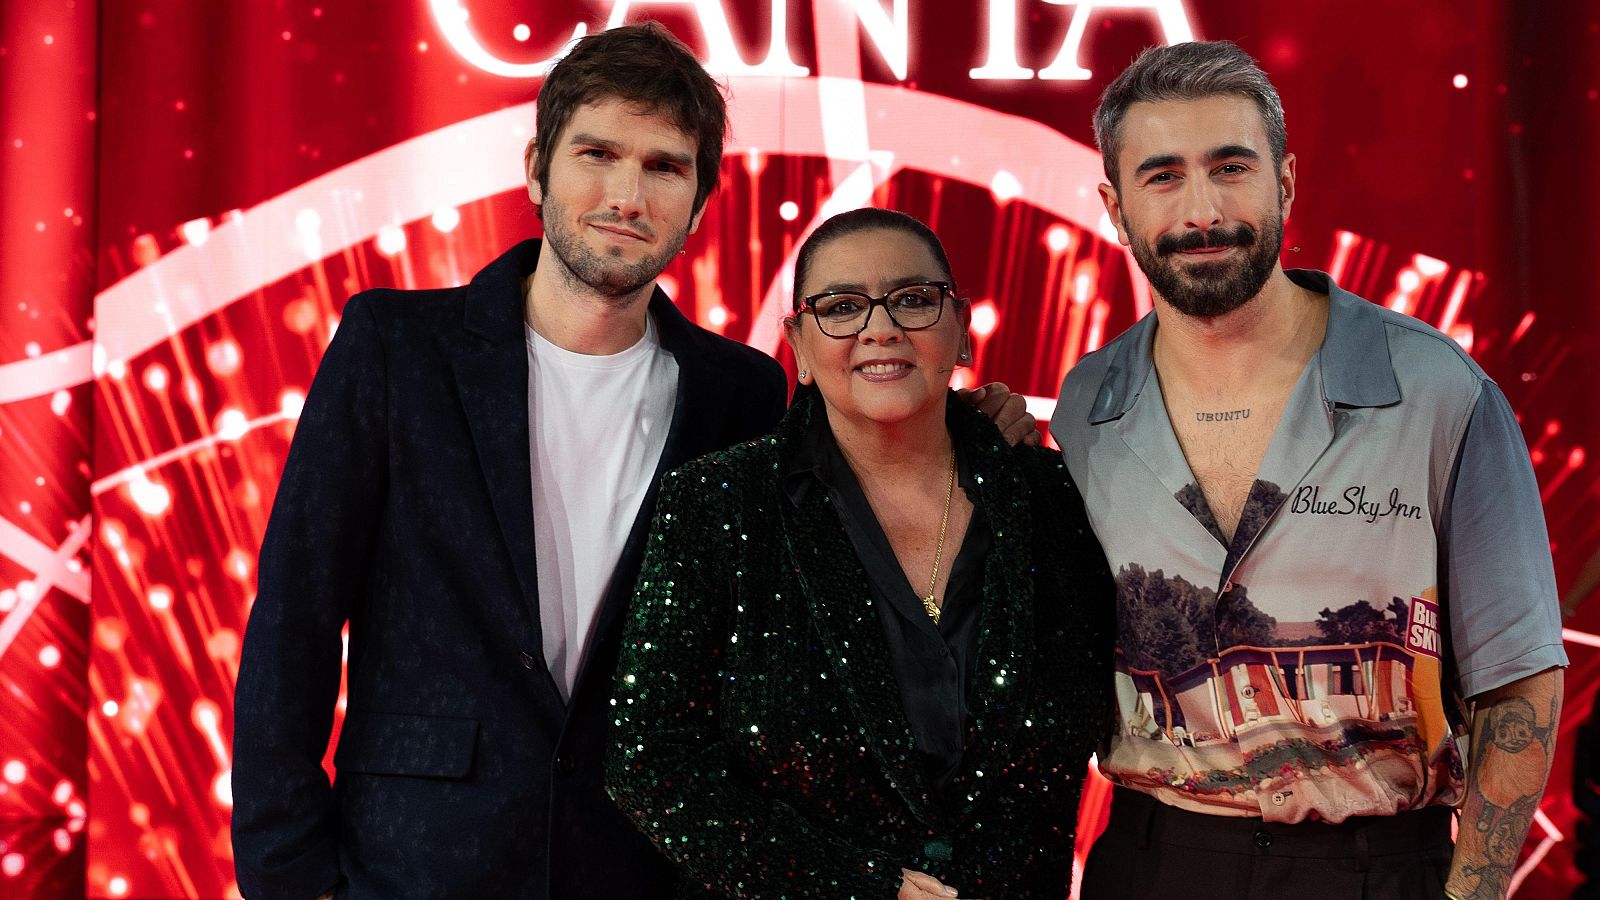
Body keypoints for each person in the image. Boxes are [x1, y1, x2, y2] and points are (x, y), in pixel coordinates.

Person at [231, 24, 1035, 900]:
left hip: (640, 868)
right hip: (411, 863)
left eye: (664, 166)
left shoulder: (741, 393)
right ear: (537, 166)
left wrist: (974, 426)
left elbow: (863, 470)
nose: (626, 194)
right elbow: (293, 622)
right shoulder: (395, 348)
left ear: (697, 204)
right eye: (598, 154)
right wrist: (290, 879)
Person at [1050, 40, 1567, 900]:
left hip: (1380, 866)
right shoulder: (1085, 406)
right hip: (1150, 862)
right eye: (1163, 176)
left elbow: (1519, 682)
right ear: (1114, 204)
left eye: (1231, 167)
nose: (1202, 209)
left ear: (1286, 181)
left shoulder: (1436, 392)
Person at [605, 207, 1112, 899]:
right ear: (799, 345)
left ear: (960, 328)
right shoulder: (716, 504)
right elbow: (649, 760)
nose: (881, 327)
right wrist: (855, 884)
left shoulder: (1057, 501)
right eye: (841, 306)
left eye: (912, 299)